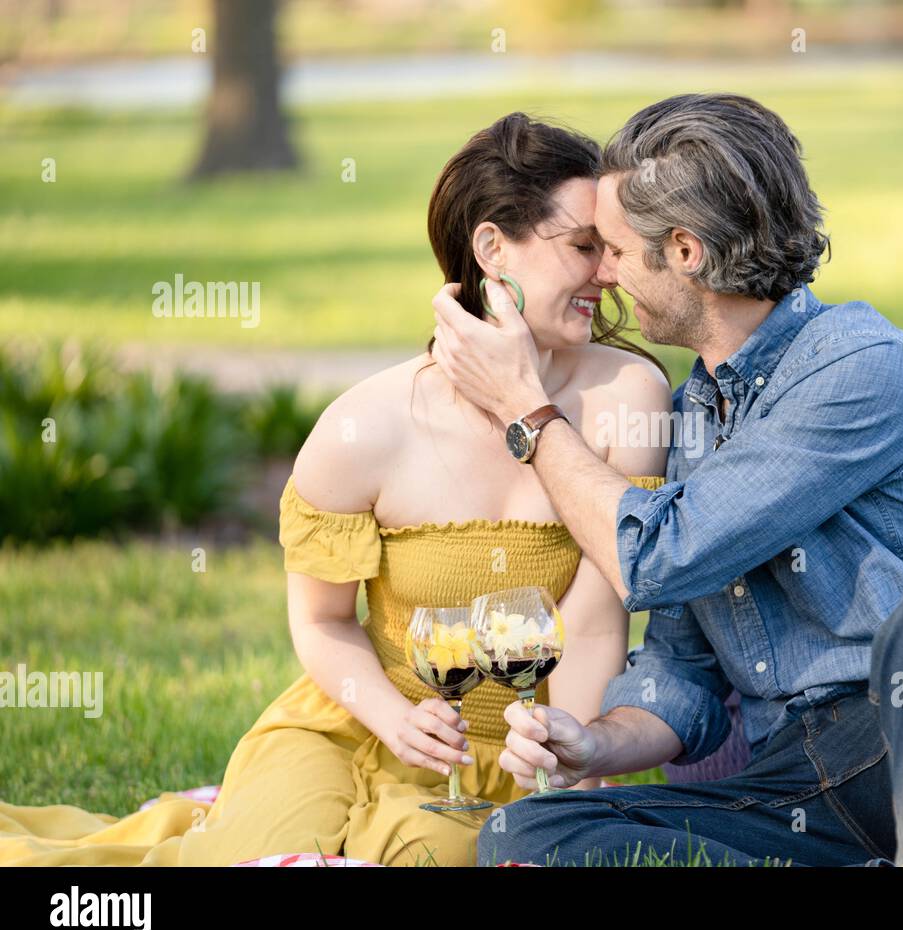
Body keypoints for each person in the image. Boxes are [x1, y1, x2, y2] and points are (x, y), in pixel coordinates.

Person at [429, 93, 903, 867]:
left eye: (612, 248)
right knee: (527, 833)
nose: (603, 275)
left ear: (685, 252)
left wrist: (527, 410)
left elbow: (657, 556)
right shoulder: (691, 419)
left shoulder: (863, 365)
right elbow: (681, 674)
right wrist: (593, 743)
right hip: (807, 784)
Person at [0, 113, 670, 867]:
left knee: (432, 854)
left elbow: (592, 618)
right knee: (250, 857)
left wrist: (565, 771)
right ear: (491, 247)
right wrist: (392, 717)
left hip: (520, 750)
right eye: (585, 247)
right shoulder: (368, 426)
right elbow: (323, 621)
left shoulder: (629, 396)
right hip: (356, 720)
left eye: (610, 250)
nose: (608, 274)